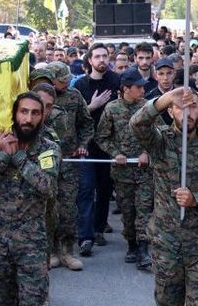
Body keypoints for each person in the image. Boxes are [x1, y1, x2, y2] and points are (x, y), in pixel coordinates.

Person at [129, 86, 198, 306]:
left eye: (193, 106)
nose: (187, 113)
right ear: (170, 112)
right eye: (180, 107)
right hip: (166, 241)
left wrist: (197, 199)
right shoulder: (160, 142)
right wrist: (166, 98)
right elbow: (137, 125)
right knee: (167, 301)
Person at [0, 92, 60, 305]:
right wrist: (2, 156)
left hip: (31, 244)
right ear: (14, 113)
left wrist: (18, 157)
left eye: (35, 113)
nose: (28, 119)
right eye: (23, 112)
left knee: (33, 300)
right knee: (1, 300)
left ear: (42, 116)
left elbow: (48, 187)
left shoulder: (48, 149)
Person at [96, 68, 154, 269]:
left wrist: (148, 152)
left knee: (145, 209)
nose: (142, 90)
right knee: (128, 212)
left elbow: (163, 134)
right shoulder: (112, 109)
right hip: (122, 173)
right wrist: (115, 153)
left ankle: (144, 250)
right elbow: (101, 137)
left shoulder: (148, 107)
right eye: (138, 87)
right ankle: (131, 244)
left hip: (145, 171)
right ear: (126, 88)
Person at [73, 44, 120, 250]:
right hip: (86, 146)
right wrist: (92, 106)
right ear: (89, 60)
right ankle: (86, 235)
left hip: (108, 145)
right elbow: (75, 118)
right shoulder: (80, 85)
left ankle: (99, 228)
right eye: (97, 56)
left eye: (105, 56)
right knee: (86, 188)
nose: (102, 60)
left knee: (104, 189)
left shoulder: (116, 81)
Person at [48, 61, 97, 257]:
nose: (66, 83)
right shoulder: (41, 97)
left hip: (70, 159)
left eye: (68, 79)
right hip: (47, 160)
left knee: (68, 207)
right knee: (49, 207)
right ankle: (52, 250)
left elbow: (86, 123)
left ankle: (68, 251)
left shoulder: (74, 96)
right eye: (62, 81)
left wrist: (83, 145)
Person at [145, 58, 176, 125]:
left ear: (174, 74)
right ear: (155, 76)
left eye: (169, 73)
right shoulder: (148, 98)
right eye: (161, 74)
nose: (165, 78)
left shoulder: (181, 96)